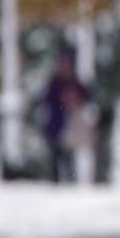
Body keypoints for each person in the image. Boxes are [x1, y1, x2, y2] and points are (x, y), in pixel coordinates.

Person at [41, 45, 91, 184]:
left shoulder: (75, 82)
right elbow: (48, 100)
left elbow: (86, 97)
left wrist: (75, 100)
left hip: (71, 127)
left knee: (69, 158)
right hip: (56, 125)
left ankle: (71, 183)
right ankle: (54, 182)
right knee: (55, 157)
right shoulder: (55, 82)